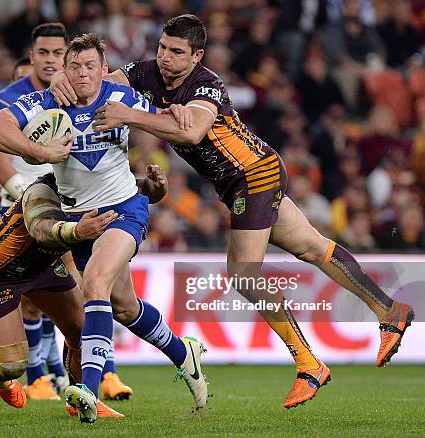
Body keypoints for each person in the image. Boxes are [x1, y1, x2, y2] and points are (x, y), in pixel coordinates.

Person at [50, 14, 416, 409]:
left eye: (176, 52)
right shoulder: (146, 73)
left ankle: (308, 363)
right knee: (313, 248)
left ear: (197, 56)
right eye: (162, 48)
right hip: (236, 183)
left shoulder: (206, 86)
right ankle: (390, 310)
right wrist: (58, 80)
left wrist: (132, 116)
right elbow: (99, 82)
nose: (166, 58)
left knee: (243, 272)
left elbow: (192, 133)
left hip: (254, 174)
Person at [0, 33, 208, 424]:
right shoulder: (51, 101)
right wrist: (41, 152)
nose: (83, 74)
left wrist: (179, 114)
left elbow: (171, 120)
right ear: (65, 71)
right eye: (75, 67)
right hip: (79, 219)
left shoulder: (122, 98)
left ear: (105, 70)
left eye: (91, 66)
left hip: (124, 210)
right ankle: (182, 352)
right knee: (124, 307)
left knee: (95, 285)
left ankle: (87, 389)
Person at [0, 23, 133, 401]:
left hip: (69, 210)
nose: (51, 61)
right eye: (43, 53)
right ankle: (27, 373)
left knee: (92, 302)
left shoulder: (89, 92)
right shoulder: (10, 102)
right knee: (56, 307)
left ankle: (87, 388)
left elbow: (122, 78)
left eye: (58, 54)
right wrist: (8, 181)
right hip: (30, 218)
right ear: (31, 57)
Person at [0, 167, 168, 418]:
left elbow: (125, 190)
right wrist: (76, 231)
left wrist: (154, 188)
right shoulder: (41, 190)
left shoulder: (91, 186)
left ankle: (82, 399)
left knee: (82, 331)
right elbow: (40, 230)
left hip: (44, 267)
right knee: (12, 365)